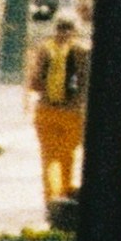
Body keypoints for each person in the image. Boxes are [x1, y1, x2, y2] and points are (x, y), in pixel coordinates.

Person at [27, 12, 89, 198]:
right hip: (72, 113)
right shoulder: (82, 51)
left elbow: (34, 82)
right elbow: (86, 83)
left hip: (45, 110)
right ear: (75, 30)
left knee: (49, 157)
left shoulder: (44, 49)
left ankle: (51, 197)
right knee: (67, 157)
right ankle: (64, 195)